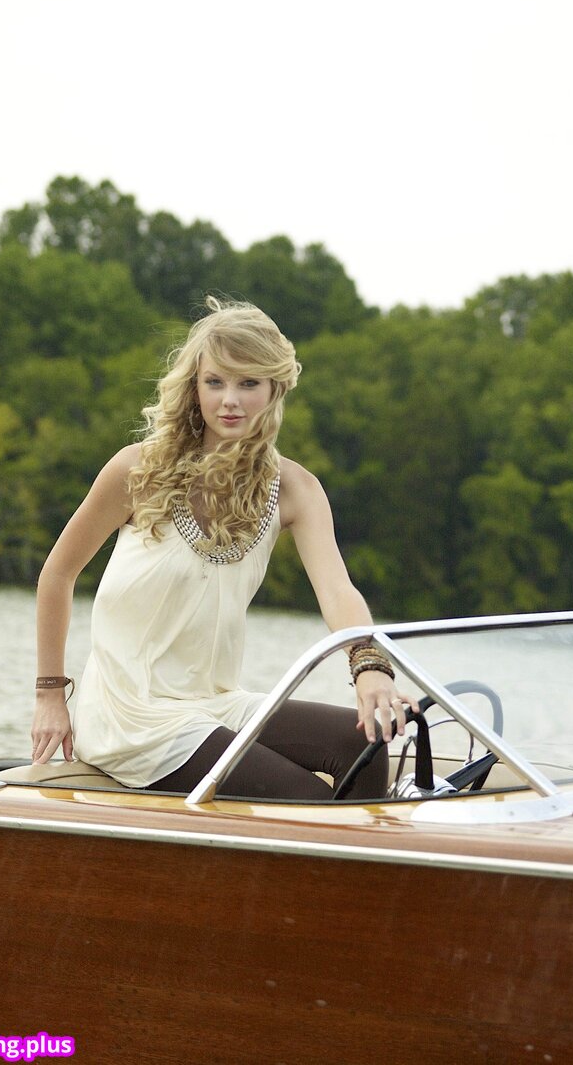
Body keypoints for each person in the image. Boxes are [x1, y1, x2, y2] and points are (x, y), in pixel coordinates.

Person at [31, 296, 416, 799]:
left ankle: (358, 849)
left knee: (362, 742)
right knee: (308, 799)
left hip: (215, 703)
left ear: (274, 388)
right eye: (215, 382)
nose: (229, 400)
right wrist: (50, 696)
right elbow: (58, 575)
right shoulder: (136, 470)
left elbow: (337, 591)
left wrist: (369, 667)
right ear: (194, 387)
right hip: (132, 713)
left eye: (248, 383)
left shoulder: (295, 489)